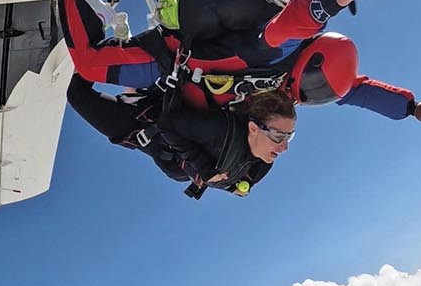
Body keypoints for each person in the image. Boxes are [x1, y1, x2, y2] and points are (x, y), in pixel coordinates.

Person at [27, 0, 421, 123]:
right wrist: (334, 2)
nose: (302, 98)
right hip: (173, 56)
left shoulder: (308, 80)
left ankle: (91, 10)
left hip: (189, 71)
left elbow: (355, 91)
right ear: (310, 62)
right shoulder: (278, 51)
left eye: (315, 96)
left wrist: (408, 107)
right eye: (311, 90)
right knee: (90, 63)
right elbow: (290, 23)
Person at [66, 75, 296, 198]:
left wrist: (231, 188)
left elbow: (241, 188)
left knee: (133, 87)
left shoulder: (263, 162)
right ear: (254, 128)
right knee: (77, 94)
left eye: (289, 137)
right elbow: (167, 125)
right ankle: (98, 28)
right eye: (279, 136)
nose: (284, 147)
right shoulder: (220, 130)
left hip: (153, 144)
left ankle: (124, 52)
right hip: (140, 122)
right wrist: (203, 167)